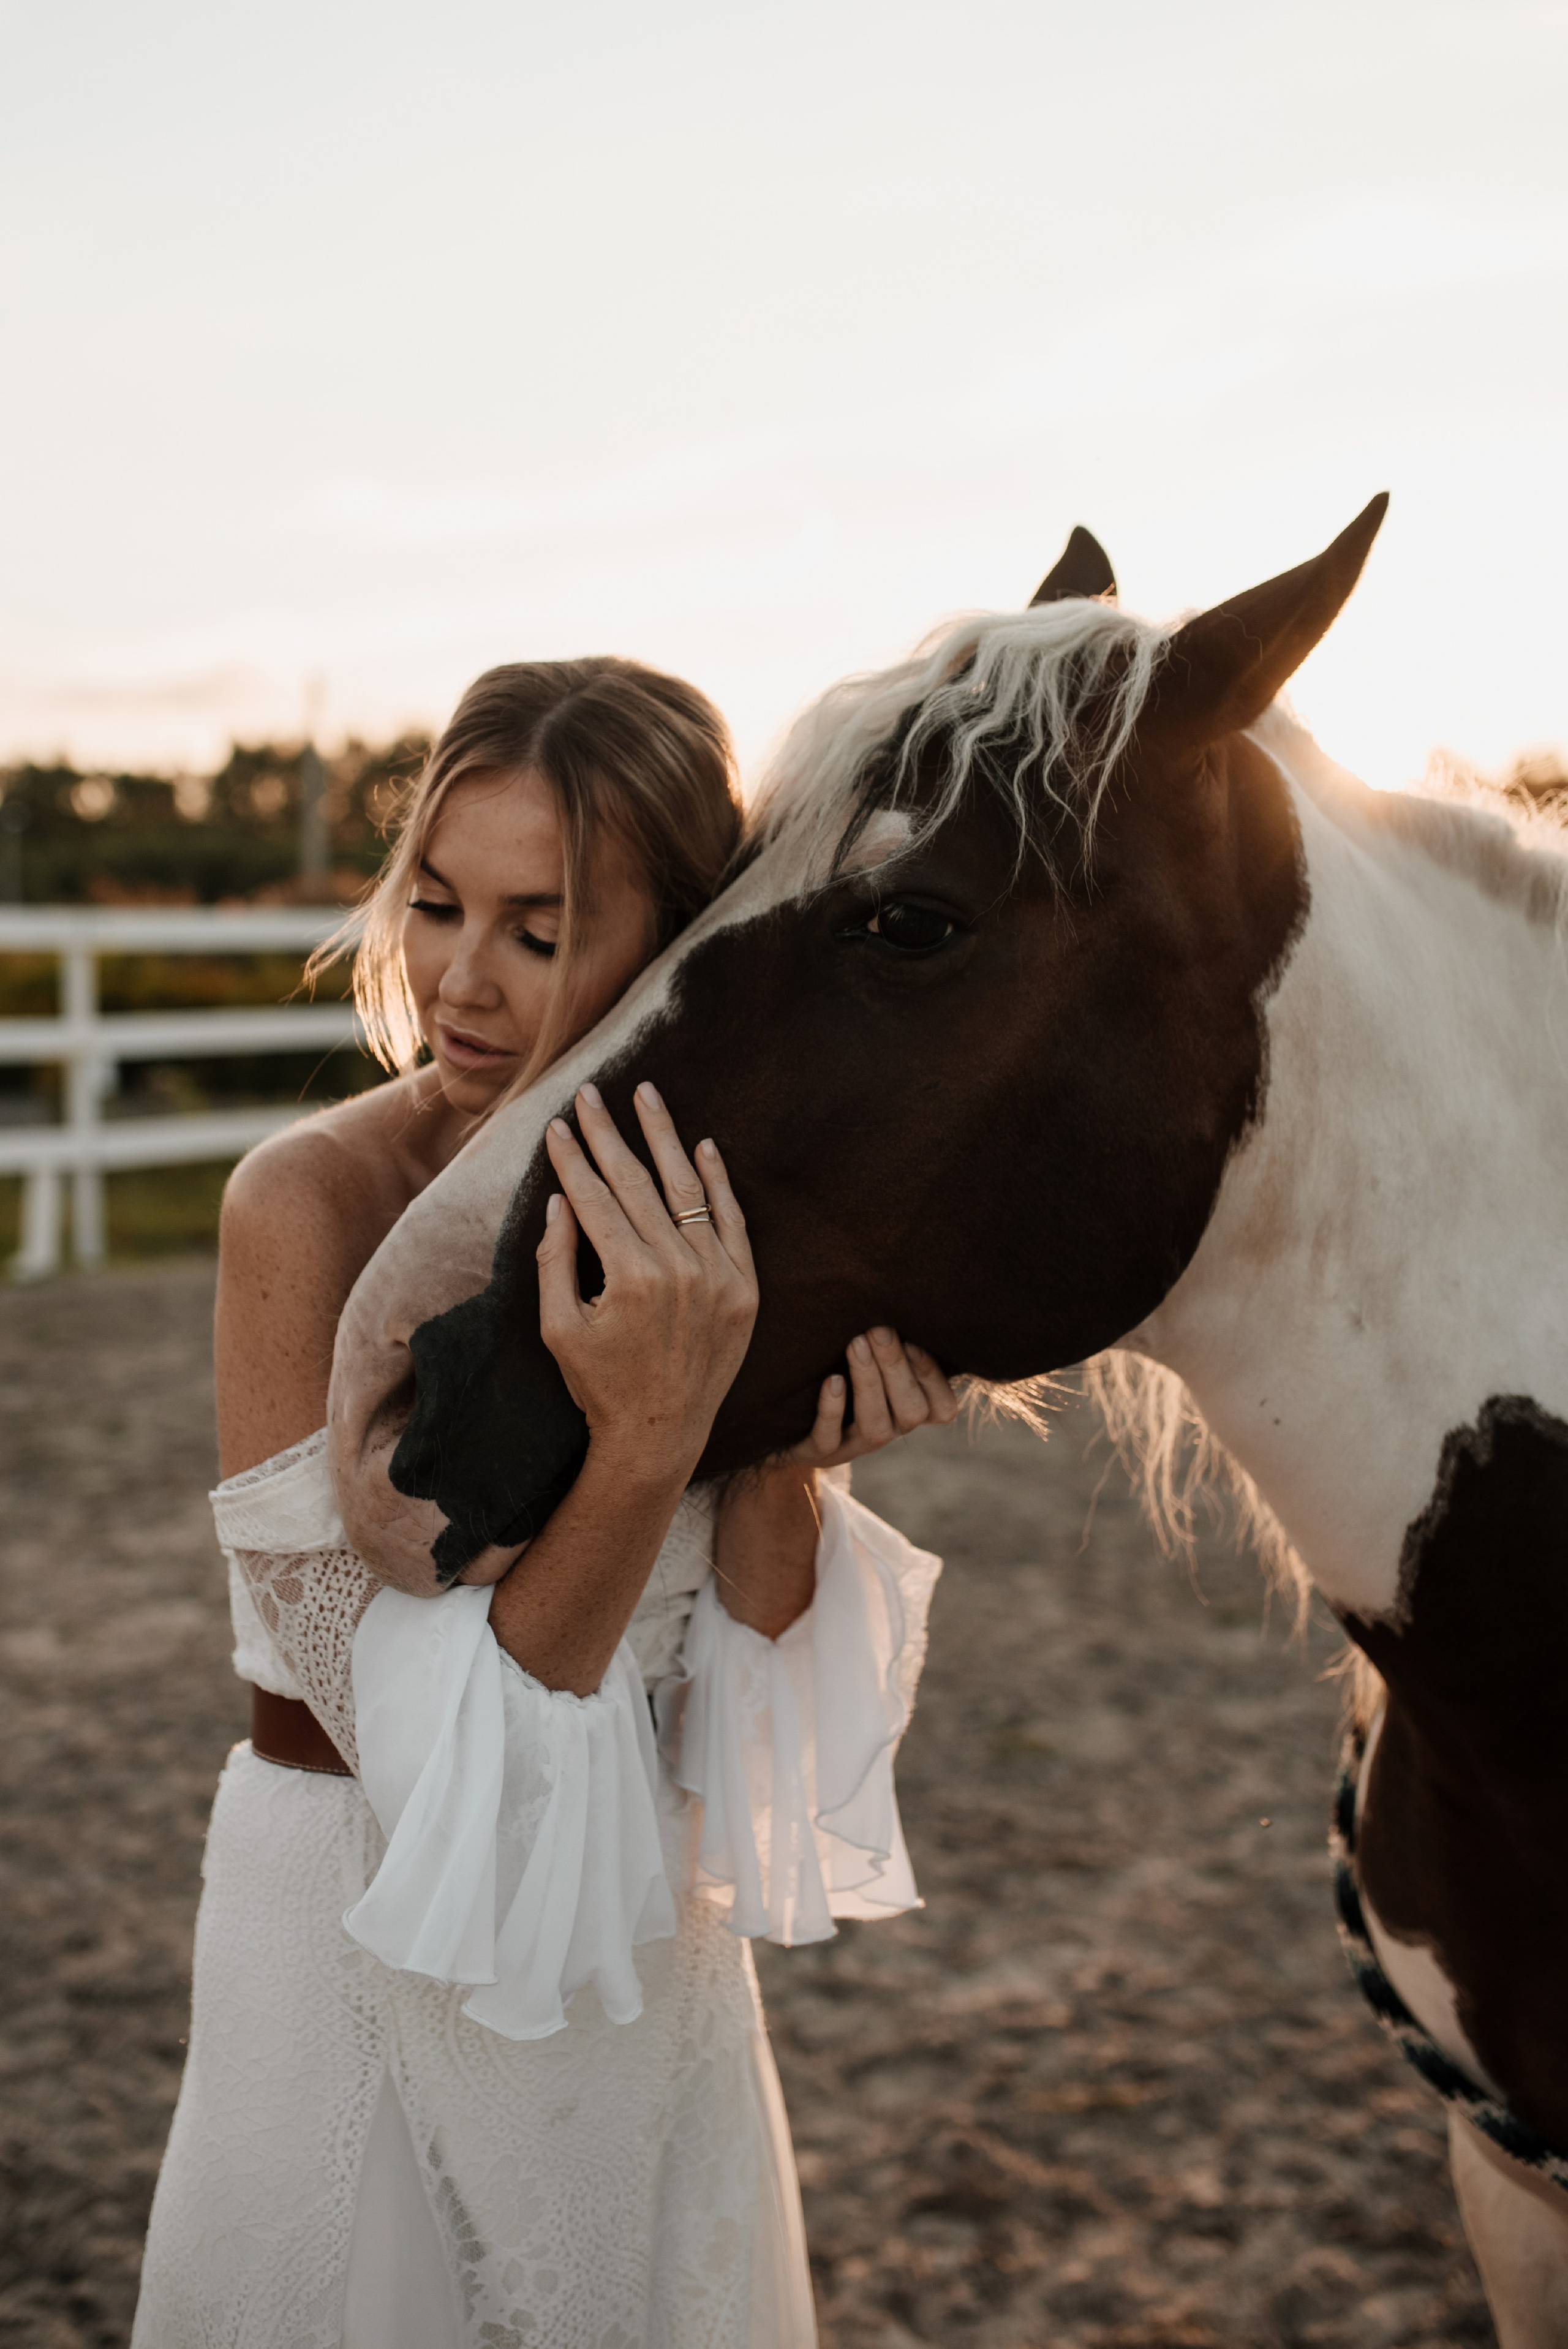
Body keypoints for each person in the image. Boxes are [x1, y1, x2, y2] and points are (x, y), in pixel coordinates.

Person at [132, 657, 955, 2348]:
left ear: (675, 942)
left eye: (539, 926)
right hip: (362, 1937)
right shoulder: (307, 1207)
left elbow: (743, 1727)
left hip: (635, 1955)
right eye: (439, 904)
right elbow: (417, 1751)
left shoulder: (707, 1215)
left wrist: (790, 1456)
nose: (459, 977)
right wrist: (647, 1440)